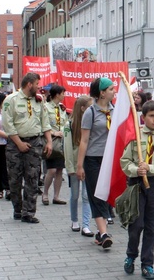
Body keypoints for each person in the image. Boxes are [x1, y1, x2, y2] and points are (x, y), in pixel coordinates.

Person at [121, 101, 154, 280]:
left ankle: (147, 264)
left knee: (151, 226)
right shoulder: (135, 135)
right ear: (143, 118)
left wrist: (150, 168)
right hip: (136, 184)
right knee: (136, 224)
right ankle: (130, 255)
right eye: (151, 116)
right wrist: (137, 169)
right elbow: (125, 161)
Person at [2, 73, 53, 223]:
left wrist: (49, 141)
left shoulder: (39, 101)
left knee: (32, 178)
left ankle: (29, 212)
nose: (39, 86)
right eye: (37, 83)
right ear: (29, 84)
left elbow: (45, 122)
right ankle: (17, 209)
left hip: (34, 142)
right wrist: (19, 143)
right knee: (15, 179)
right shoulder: (11, 100)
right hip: (15, 144)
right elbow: (7, 124)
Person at [77, 77, 117, 247]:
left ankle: (102, 233)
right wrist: (79, 165)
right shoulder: (90, 112)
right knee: (96, 195)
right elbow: (84, 141)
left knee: (106, 195)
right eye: (110, 89)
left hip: (110, 159)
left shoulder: (116, 111)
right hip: (93, 159)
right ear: (102, 93)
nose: (114, 91)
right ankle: (104, 232)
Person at [65, 95, 94, 237]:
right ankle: (74, 220)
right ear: (82, 108)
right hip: (75, 165)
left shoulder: (92, 123)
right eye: (90, 106)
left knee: (86, 195)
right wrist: (71, 167)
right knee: (75, 194)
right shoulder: (69, 125)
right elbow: (68, 148)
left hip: (88, 164)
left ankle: (86, 224)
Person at [41, 85, 68, 206]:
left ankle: (56, 196)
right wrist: (53, 133)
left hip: (61, 143)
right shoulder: (45, 108)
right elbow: (42, 125)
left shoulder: (62, 109)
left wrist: (63, 130)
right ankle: (45, 193)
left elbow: (65, 122)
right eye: (63, 93)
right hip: (51, 141)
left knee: (59, 170)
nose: (64, 95)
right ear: (57, 94)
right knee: (51, 170)